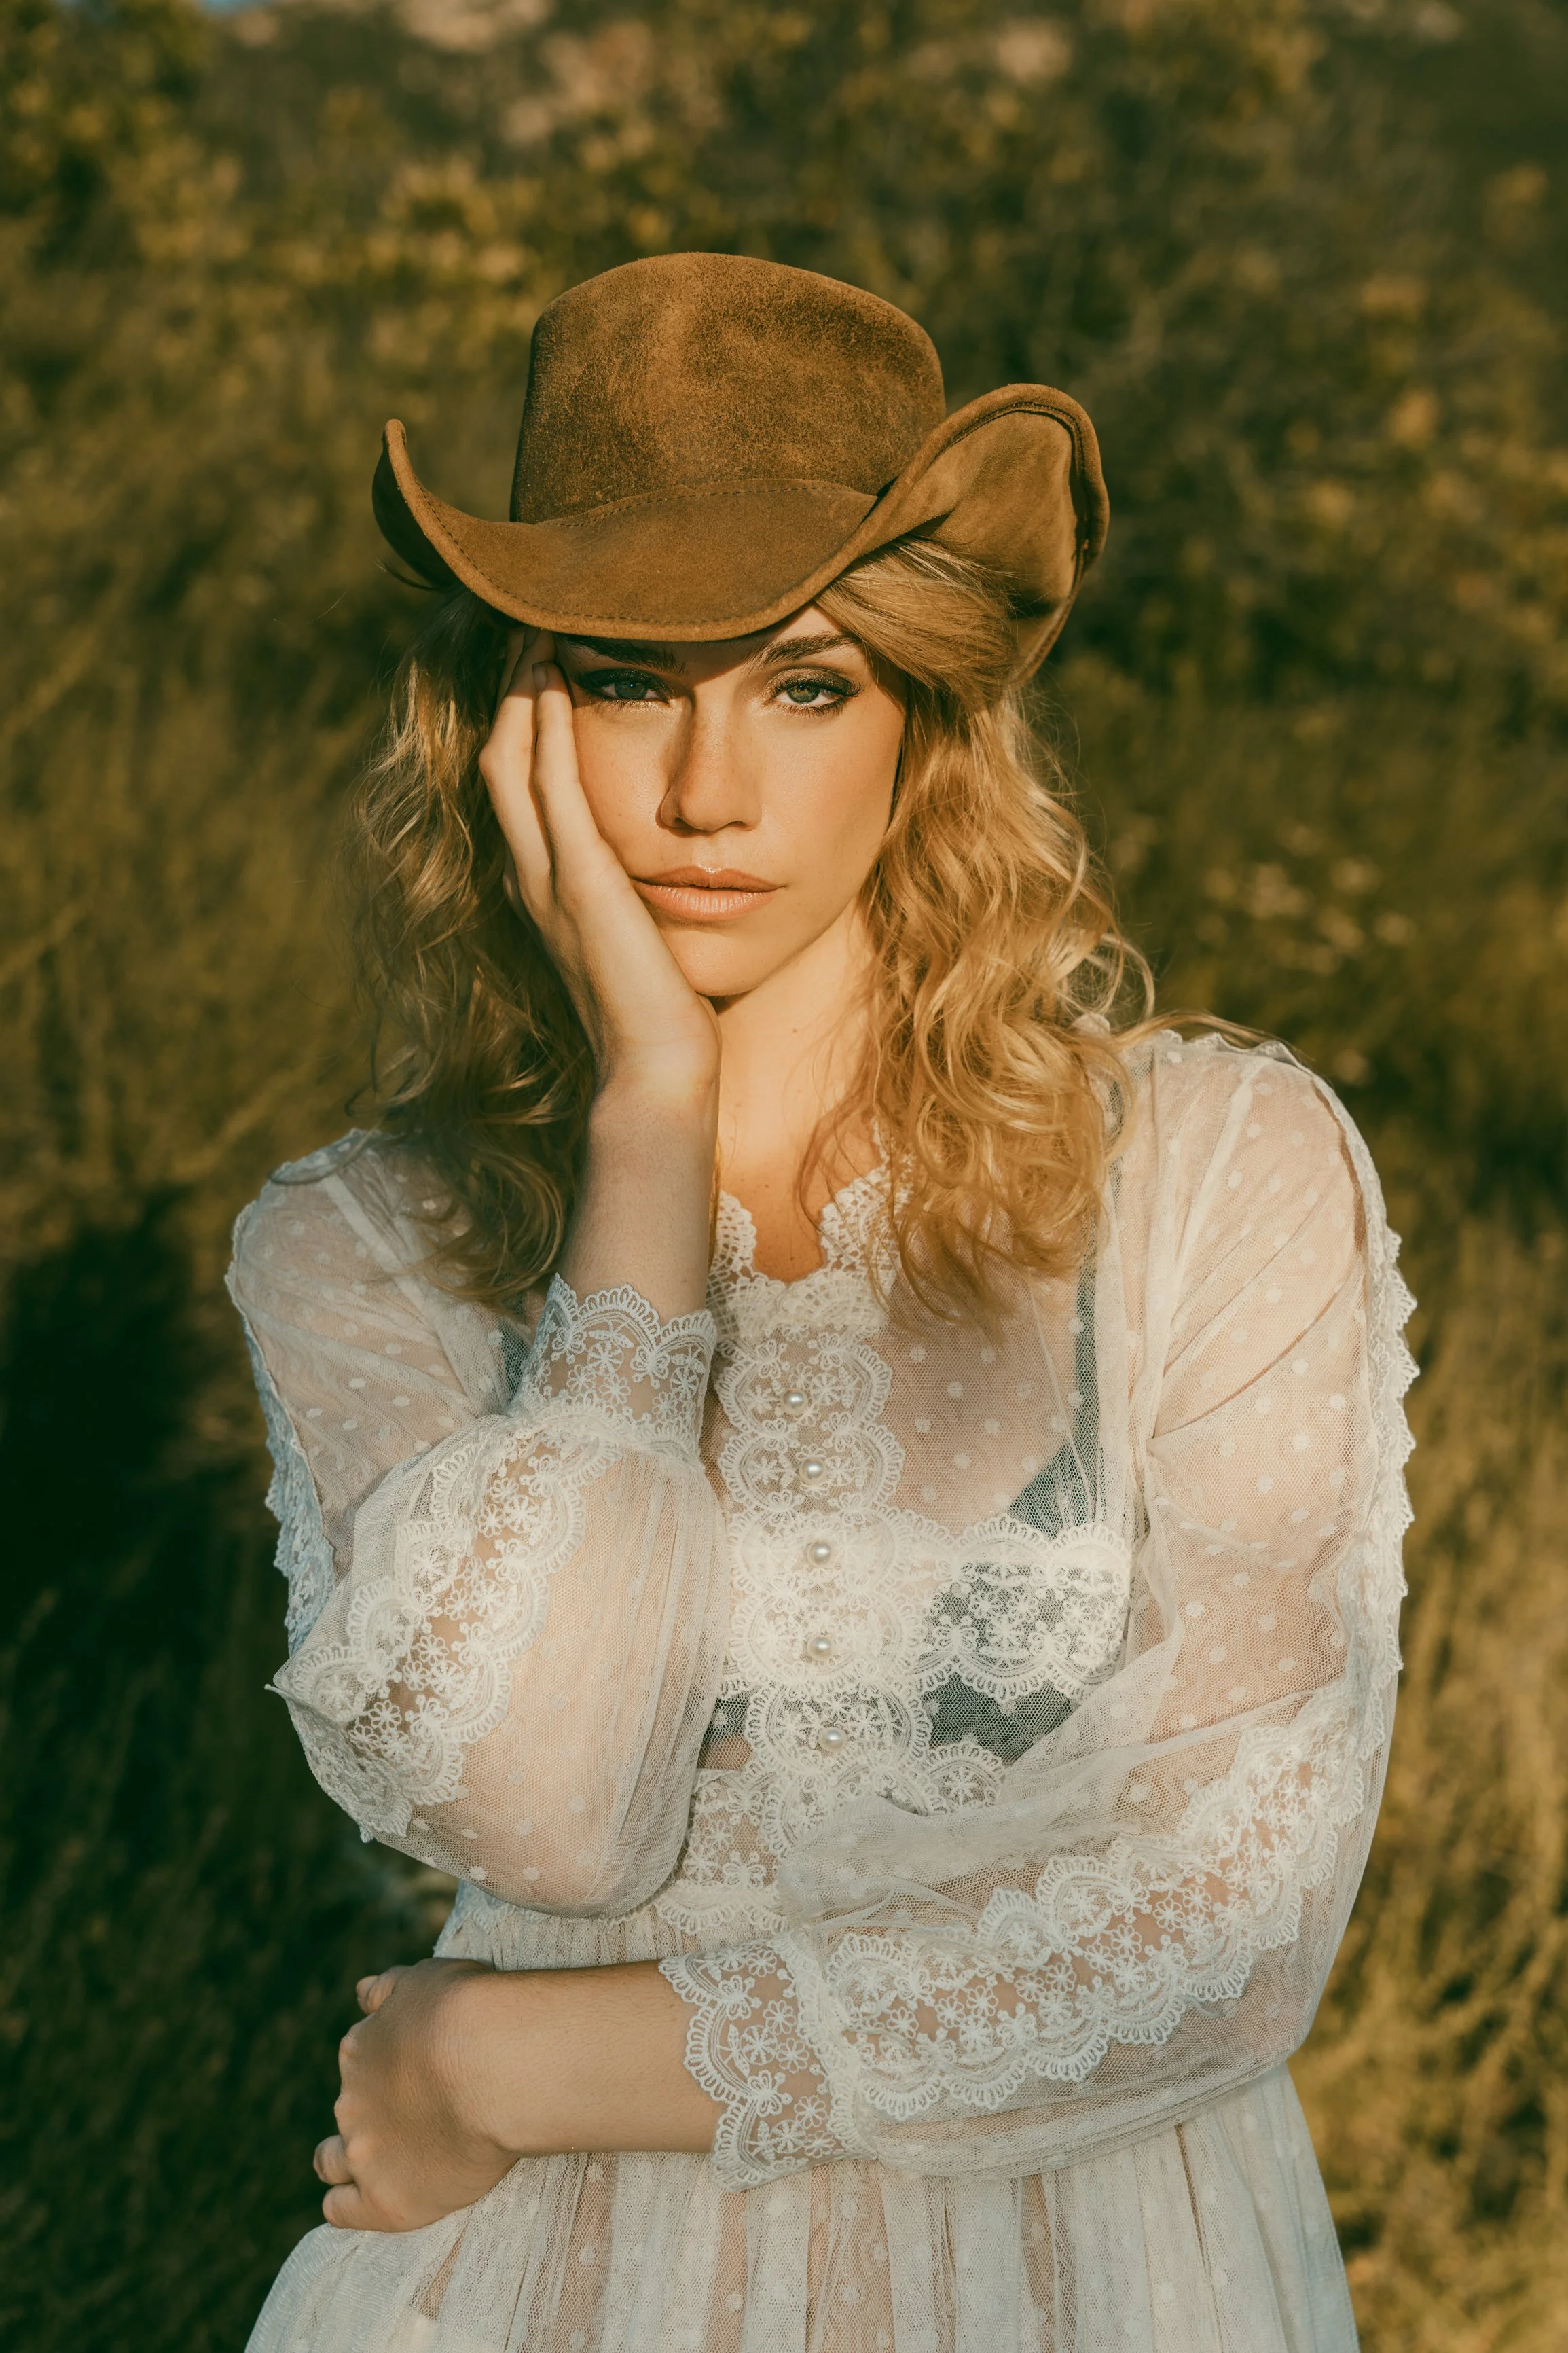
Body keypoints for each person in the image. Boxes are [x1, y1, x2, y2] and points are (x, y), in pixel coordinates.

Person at [229, 251, 1414, 2353]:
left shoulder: (1214, 1172)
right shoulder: (359, 1246)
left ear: (926, 723)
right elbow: (553, 1813)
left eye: (802, 687)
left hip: (1095, 2288)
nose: (704, 794)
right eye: (624, 684)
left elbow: (1228, 1930)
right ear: (506, 726)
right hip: (536, 2297)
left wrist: (490, 2059)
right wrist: (646, 1137)